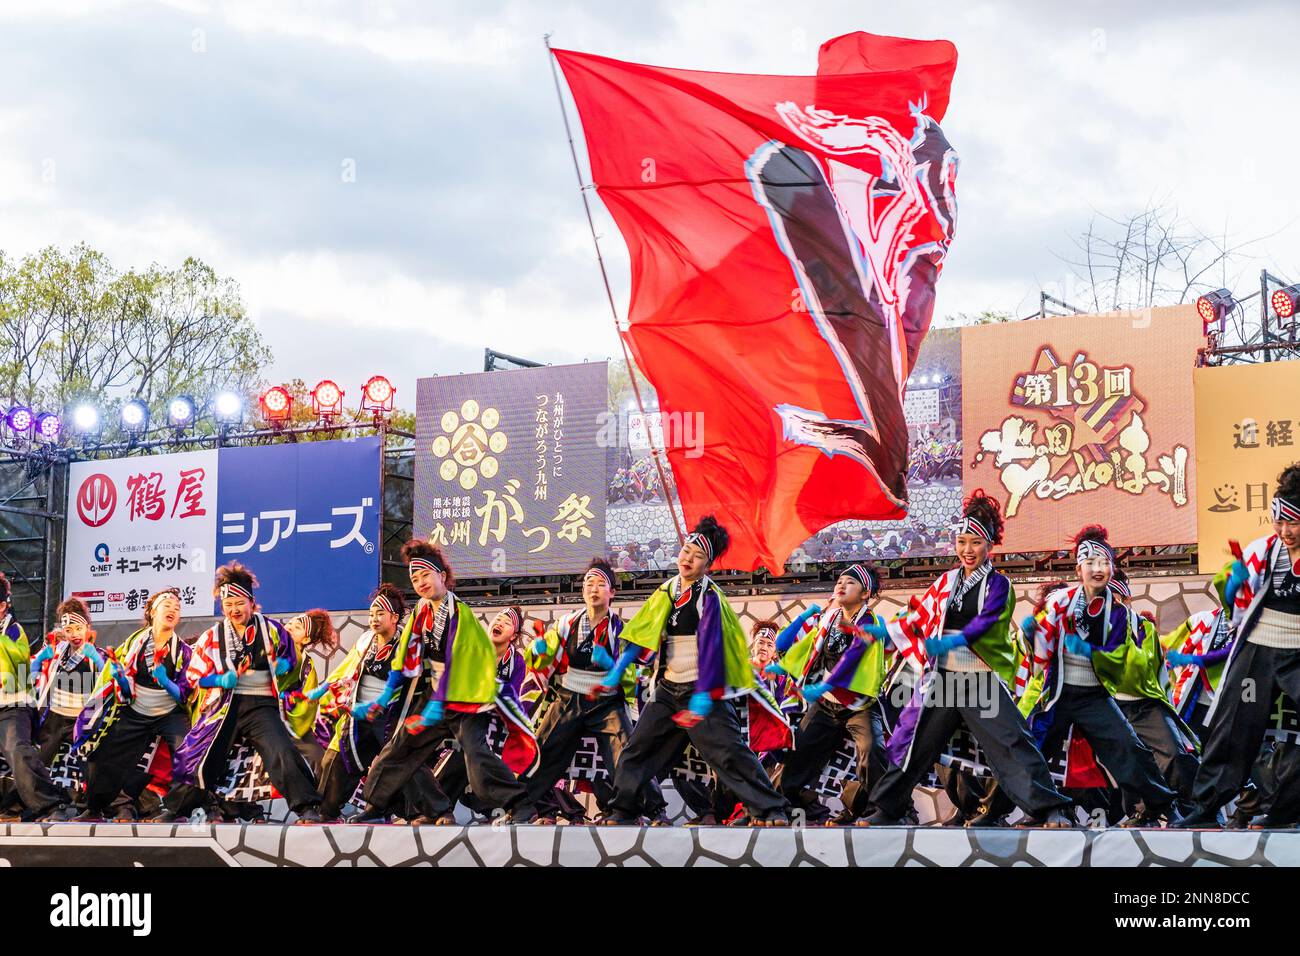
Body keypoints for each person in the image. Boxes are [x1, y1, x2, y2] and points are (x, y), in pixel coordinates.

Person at [861, 492, 1072, 828]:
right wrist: (884, 634)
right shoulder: (945, 582)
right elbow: (916, 617)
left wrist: (955, 640)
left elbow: (987, 620)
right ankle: (888, 808)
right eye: (962, 542)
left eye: (975, 542)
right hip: (942, 678)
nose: (967, 550)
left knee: (1012, 740)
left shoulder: (999, 584)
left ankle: (1049, 809)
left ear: (989, 545)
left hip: (978, 677)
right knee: (913, 741)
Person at [598, 516, 793, 826]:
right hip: (668, 689)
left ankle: (771, 810)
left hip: (702, 689)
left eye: (698, 556)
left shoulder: (710, 597)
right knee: (637, 750)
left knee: (729, 753)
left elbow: (715, 647)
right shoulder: (667, 590)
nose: (688, 559)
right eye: (686, 551)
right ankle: (624, 809)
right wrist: (616, 671)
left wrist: (703, 696)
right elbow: (641, 635)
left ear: (708, 565)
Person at [355, 540, 536, 824]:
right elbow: (403, 658)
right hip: (437, 693)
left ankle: (520, 803)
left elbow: (458, 665)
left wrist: (431, 711)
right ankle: (382, 804)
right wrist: (384, 697)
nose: (420, 582)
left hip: (466, 696)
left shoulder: (460, 614)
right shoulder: (421, 613)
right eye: (414, 578)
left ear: (442, 575)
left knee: (476, 755)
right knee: (401, 746)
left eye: (426, 575)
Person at [1023, 525, 1177, 825]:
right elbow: (1042, 652)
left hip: (1094, 695)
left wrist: (1082, 647)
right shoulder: (1060, 601)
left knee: (1128, 748)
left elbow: (1116, 660)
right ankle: (1022, 808)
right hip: (1058, 692)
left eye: (1104, 563)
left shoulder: (1118, 613)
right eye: (1090, 563)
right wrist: (1036, 634)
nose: (1097, 569)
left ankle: (1160, 805)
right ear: (1078, 567)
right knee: (1031, 744)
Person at [1175, 463, 1300, 828]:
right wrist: (1237, 584)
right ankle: (1205, 809)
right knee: (1234, 730)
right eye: (1280, 522)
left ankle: (1286, 813)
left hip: (1297, 657)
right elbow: (1238, 603)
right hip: (1257, 655)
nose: (1285, 531)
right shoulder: (1264, 549)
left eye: (1293, 523)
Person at [152, 562, 323, 823]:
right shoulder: (212, 636)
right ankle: (178, 809)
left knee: (280, 749)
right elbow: (195, 679)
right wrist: (221, 679)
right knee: (202, 755)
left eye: (239, 603)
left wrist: (282, 666)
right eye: (228, 604)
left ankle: (307, 807)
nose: (234, 609)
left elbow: (291, 662)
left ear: (252, 603)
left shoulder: (272, 630)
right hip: (224, 706)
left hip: (261, 705)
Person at [769, 564, 891, 825]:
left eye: (850, 582)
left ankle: (881, 811)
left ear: (865, 593)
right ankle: (774, 808)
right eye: (840, 580)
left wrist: (825, 685)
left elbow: (853, 657)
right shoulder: (829, 619)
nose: (841, 585)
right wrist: (782, 665)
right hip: (826, 705)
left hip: (859, 703)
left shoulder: (871, 622)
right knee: (798, 749)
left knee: (872, 749)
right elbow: (806, 647)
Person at [522, 559, 641, 821]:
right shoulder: (566, 623)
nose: (594, 589)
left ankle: (639, 811)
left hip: (606, 701)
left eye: (601, 584)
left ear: (613, 592)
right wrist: (538, 650)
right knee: (543, 749)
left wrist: (610, 664)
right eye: (589, 583)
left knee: (625, 753)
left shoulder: (620, 629)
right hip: (568, 696)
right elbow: (541, 657)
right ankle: (523, 807)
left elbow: (630, 672)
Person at [314, 585, 444, 822]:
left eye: (380, 613)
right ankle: (326, 813)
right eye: (372, 613)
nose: (373, 619)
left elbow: (422, 679)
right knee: (338, 758)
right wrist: (328, 694)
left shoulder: (409, 642)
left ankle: (434, 812)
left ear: (394, 617)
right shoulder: (365, 641)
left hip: (392, 715)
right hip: (361, 714)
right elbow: (346, 671)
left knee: (403, 761)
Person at [0, 572, 75, 822]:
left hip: (13, 705)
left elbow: (21, 662)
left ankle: (51, 805)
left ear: (2, 606)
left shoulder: (13, 630)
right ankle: (12, 807)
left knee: (19, 751)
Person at [31, 599, 106, 773]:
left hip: (82, 719)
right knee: (40, 764)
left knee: (90, 765)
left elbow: (110, 682)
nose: (74, 635)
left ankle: (89, 799)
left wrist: (97, 660)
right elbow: (31, 670)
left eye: (78, 629)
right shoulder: (56, 650)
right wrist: (41, 659)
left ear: (87, 628)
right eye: (68, 630)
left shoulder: (97, 654)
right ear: (63, 631)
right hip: (54, 717)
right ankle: (24, 798)